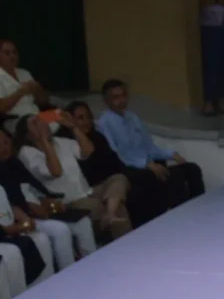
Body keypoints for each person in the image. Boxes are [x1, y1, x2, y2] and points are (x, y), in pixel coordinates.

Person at [15, 114, 131, 241]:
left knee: (118, 179)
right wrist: (44, 141)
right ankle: (125, 238)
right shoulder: (26, 153)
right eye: (36, 123)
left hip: (88, 191)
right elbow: (56, 172)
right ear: (27, 135)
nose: (43, 124)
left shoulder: (59, 141)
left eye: (42, 121)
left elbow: (88, 151)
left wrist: (74, 128)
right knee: (107, 205)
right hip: (68, 202)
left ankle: (110, 215)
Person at [97, 80, 205, 208]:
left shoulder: (132, 117)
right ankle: (181, 214)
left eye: (124, 96)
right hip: (130, 169)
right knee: (174, 176)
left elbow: (149, 147)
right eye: (116, 97)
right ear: (107, 101)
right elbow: (116, 154)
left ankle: (200, 208)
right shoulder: (104, 123)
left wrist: (172, 154)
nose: (122, 101)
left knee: (192, 169)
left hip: (148, 164)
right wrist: (146, 164)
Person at [62, 101, 167, 229]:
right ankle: (120, 225)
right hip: (91, 187)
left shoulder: (97, 136)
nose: (86, 121)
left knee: (131, 179)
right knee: (119, 201)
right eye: (80, 118)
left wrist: (143, 166)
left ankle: (115, 217)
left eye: (88, 117)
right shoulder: (65, 142)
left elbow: (115, 161)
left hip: (112, 180)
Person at [0, 125, 96, 266]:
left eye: (6, 142)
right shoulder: (25, 153)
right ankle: (69, 272)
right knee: (59, 230)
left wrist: (46, 200)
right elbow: (11, 204)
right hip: (16, 220)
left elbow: (33, 187)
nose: (4, 148)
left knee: (83, 222)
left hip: (34, 211)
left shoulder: (13, 162)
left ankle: (92, 265)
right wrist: (28, 209)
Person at [0, 39, 51, 130]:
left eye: (15, 52)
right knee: (42, 127)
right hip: (17, 120)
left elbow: (43, 102)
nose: (12, 56)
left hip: (37, 115)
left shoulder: (24, 73)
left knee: (63, 116)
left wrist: (37, 90)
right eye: (7, 53)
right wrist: (21, 92)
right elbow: (2, 107)